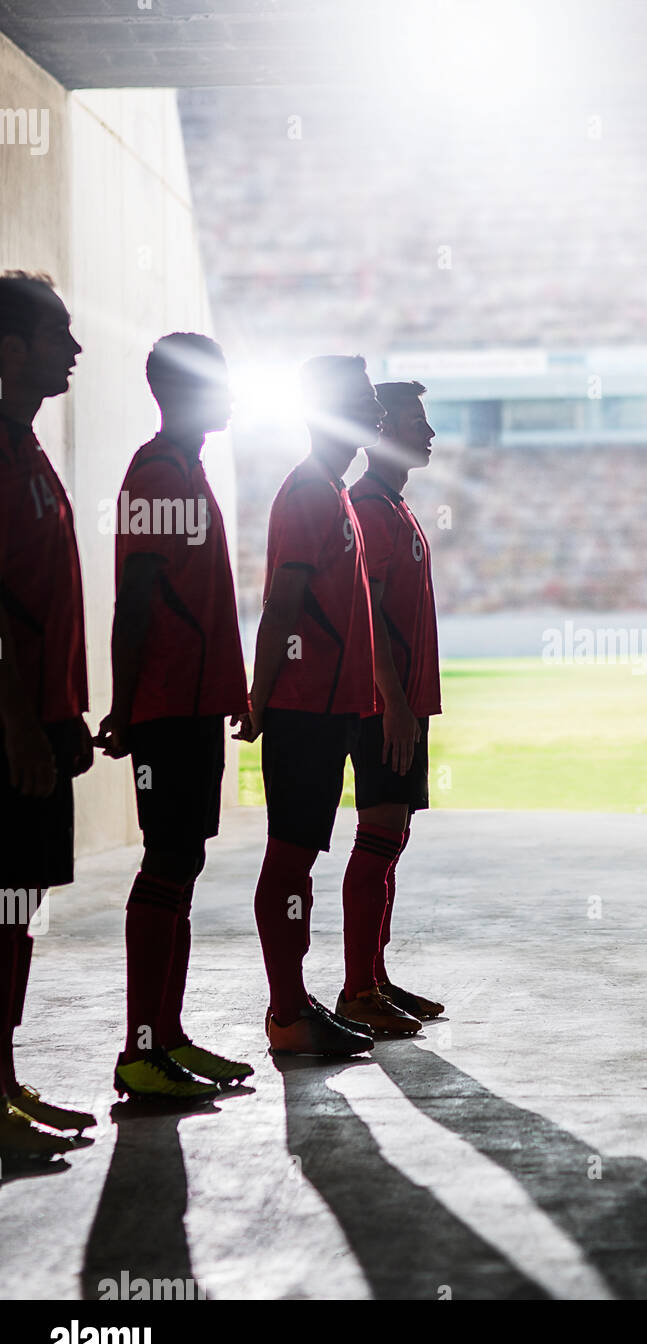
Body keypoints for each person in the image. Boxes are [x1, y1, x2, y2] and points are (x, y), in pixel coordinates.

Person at [242, 355, 417, 1056]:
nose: (375, 415)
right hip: (302, 709)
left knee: (301, 863)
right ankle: (287, 1011)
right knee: (289, 863)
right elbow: (281, 602)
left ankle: (297, 1002)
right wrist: (258, 699)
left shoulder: (332, 492)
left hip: (330, 708)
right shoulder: (310, 492)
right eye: (362, 402)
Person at [97, 333, 253, 1101]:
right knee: (165, 862)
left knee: (181, 863)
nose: (230, 395)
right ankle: (139, 1049)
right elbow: (137, 601)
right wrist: (125, 707)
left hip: (191, 705)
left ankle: (168, 1035)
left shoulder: (185, 468)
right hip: (164, 707)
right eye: (219, 383)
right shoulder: (159, 472)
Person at [0, 272, 95, 1159]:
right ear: (12, 347)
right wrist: (21, 725)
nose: (75, 350)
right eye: (58, 333)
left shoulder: (28, 447)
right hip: (8, 733)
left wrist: (62, 715)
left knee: (15, 908)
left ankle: (2, 1077)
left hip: (41, 720)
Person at [344, 382, 444, 1022]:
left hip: (404, 702)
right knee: (377, 835)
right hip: (386, 707)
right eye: (416, 420)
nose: (430, 432)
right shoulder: (368, 509)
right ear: (381, 430)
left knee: (392, 837)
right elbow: (368, 613)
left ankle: (375, 979)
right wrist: (393, 702)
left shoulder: (394, 505)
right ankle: (358, 989)